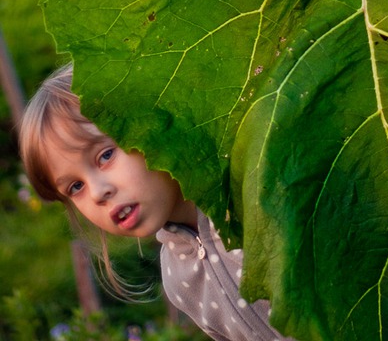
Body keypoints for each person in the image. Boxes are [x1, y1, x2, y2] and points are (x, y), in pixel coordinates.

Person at [19, 65, 295, 341]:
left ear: (152, 123)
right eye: (75, 187)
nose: (97, 193)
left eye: (105, 156)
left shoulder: (258, 199)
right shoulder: (178, 278)